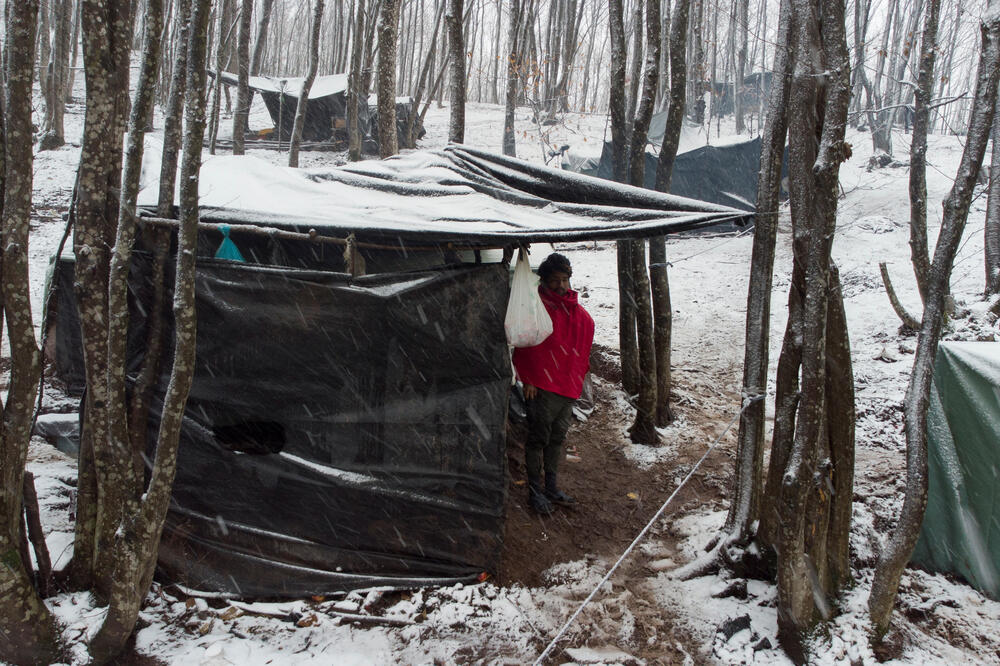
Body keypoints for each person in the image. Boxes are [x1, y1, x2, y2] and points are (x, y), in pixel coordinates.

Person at [512, 252, 595, 515]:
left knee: (557, 438)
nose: (561, 286)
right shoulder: (536, 307)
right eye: (555, 281)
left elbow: (579, 344)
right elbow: (526, 343)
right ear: (545, 281)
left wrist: (578, 374)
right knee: (538, 438)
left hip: (567, 385)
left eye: (564, 280)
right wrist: (528, 378)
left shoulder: (577, 312)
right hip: (542, 385)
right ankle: (535, 493)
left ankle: (551, 487)